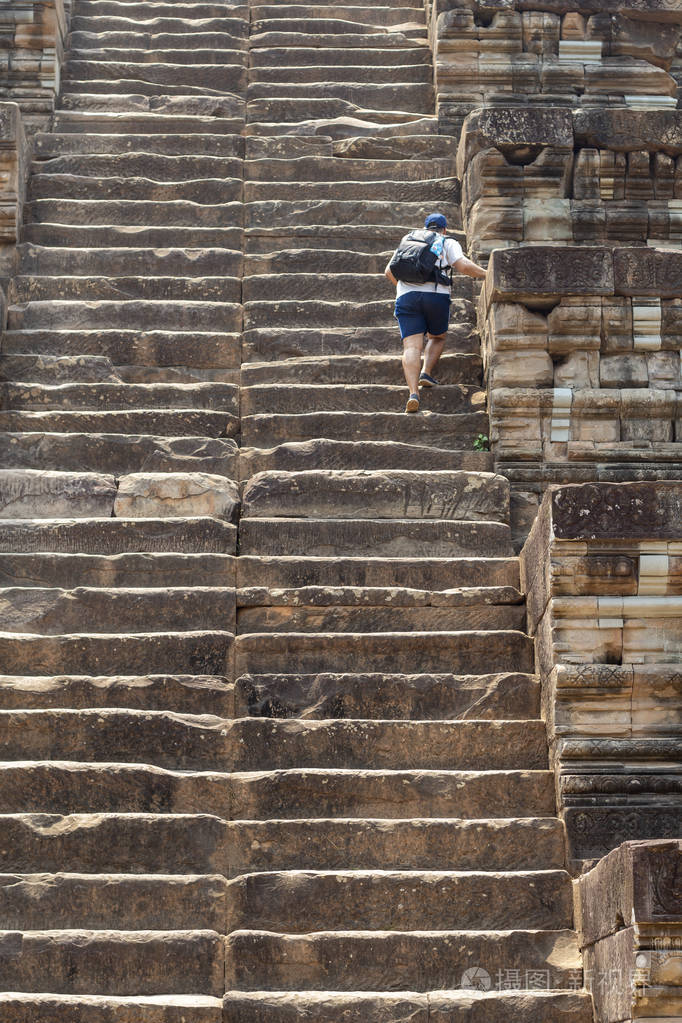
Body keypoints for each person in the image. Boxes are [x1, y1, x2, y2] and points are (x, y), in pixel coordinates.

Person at [385, 212, 487, 413]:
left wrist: (406, 289)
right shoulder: (446, 241)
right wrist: (487, 273)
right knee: (437, 337)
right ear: (444, 229)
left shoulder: (408, 239)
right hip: (435, 295)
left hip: (406, 297)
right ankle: (426, 372)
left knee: (411, 347)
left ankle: (413, 393)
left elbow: (388, 272)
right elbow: (463, 265)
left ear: (425, 228)